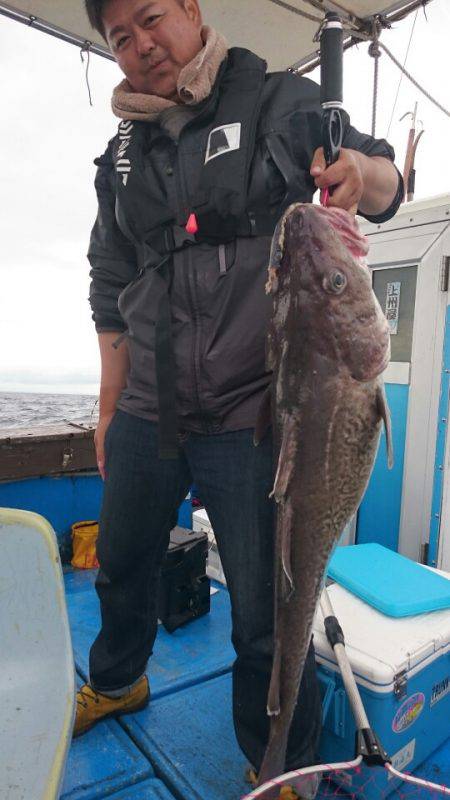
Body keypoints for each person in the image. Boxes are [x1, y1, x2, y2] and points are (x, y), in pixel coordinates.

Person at [75, 0, 402, 790]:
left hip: (251, 411)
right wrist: (110, 400)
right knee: (121, 566)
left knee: (267, 609)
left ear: (189, 8)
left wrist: (364, 176)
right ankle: (118, 680)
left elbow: (386, 178)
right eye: (120, 37)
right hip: (149, 406)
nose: (141, 44)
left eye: (151, 18)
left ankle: (277, 761)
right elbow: (110, 283)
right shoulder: (119, 158)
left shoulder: (282, 103)